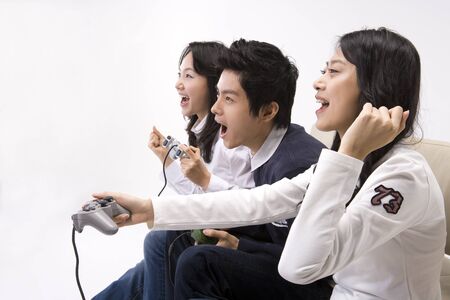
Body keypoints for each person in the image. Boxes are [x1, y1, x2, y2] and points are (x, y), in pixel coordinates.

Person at [95, 28, 446, 299]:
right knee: (165, 249)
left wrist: (348, 152)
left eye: (334, 72)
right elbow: (260, 201)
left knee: (191, 260)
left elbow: (298, 266)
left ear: (373, 89)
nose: (318, 81)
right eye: (323, 69)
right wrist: (149, 210)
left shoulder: (402, 177)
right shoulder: (347, 164)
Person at [163, 39, 329, 299]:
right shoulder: (264, 149)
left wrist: (241, 245)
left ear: (267, 111)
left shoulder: (296, 165)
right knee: (171, 239)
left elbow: (308, 261)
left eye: (228, 99)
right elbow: (267, 223)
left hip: (309, 285)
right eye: (218, 95)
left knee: (198, 262)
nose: (216, 109)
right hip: (280, 261)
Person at [93, 41, 254, 300]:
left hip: (224, 237)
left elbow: (229, 202)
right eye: (179, 75)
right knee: (139, 276)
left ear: (213, 82)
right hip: (207, 230)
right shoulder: (204, 133)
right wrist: (167, 160)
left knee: (157, 244)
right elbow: (199, 192)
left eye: (188, 76)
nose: (179, 83)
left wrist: (197, 177)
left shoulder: (230, 140)